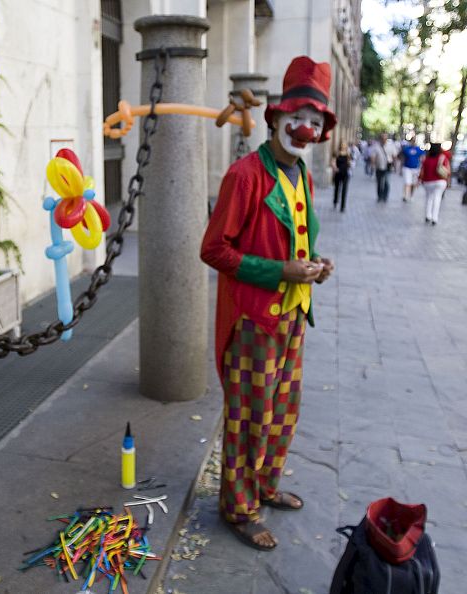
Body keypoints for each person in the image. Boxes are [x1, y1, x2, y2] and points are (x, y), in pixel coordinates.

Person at [200, 56, 336, 551]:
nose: (305, 129)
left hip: (293, 314)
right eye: (298, 117)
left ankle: (264, 485)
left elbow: (293, 239)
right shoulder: (244, 175)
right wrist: (280, 271)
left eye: (314, 122)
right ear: (276, 119)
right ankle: (238, 508)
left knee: (283, 411)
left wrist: (315, 264)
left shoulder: (303, 176)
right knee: (249, 417)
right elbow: (214, 250)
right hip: (253, 320)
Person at [419, 142, 450, 225]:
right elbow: (448, 171)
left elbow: (422, 171)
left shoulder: (426, 159)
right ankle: (434, 218)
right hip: (440, 181)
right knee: (437, 198)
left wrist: (420, 180)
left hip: (428, 182)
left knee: (429, 198)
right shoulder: (443, 157)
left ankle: (428, 215)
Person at [372, 133, 397, 201]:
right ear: (380, 139)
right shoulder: (376, 146)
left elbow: (394, 156)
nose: (384, 140)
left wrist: (395, 166)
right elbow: (373, 156)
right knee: (379, 182)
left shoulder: (391, 146)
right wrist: (373, 165)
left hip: (388, 166)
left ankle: (385, 196)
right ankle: (379, 196)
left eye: (385, 138)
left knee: (387, 182)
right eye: (382, 138)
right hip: (379, 166)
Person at [331, 140, 351, 212]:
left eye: (345, 144)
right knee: (337, 189)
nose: (343, 146)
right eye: (342, 144)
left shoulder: (348, 153)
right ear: (340, 145)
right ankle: (335, 201)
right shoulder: (337, 153)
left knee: (344, 190)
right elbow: (333, 162)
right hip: (338, 173)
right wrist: (335, 168)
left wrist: (350, 163)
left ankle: (342, 206)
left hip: (345, 174)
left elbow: (349, 162)